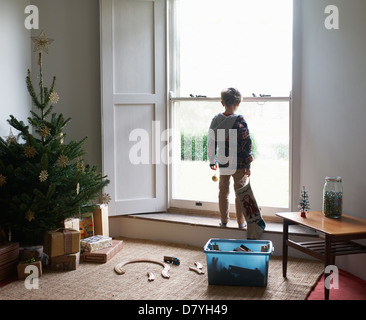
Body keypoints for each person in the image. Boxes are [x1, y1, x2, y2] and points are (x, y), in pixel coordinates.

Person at [207, 88, 253, 229]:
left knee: (223, 192)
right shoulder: (240, 121)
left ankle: (224, 221)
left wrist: (212, 160)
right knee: (240, 193)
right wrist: (248, 165)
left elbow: (211, 140)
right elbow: (247, 145)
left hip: (223, 162)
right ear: (238, 103)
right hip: (239, 164)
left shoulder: (216, 120)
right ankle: (241, 222)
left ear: (222, 103)